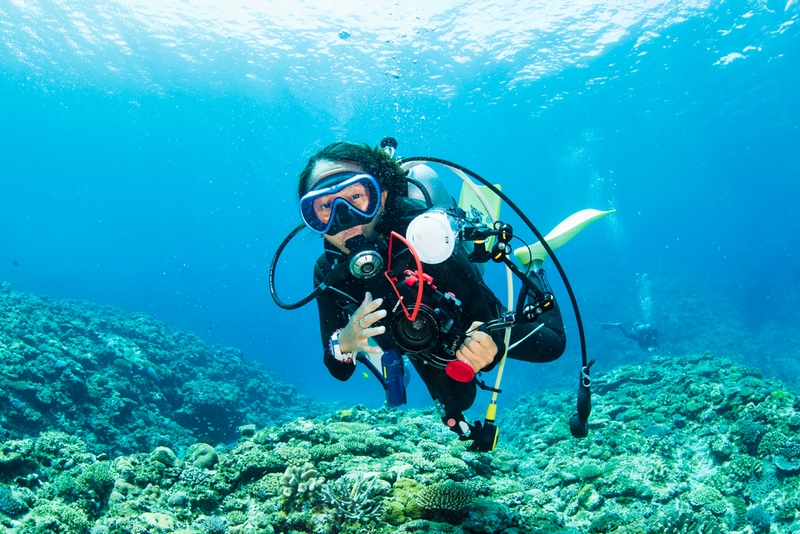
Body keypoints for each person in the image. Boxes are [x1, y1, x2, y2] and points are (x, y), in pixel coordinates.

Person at [296, 141, 566, 437]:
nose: (345, 217)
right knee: (461, 401)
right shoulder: (328, 272)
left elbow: (480, 312)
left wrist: (490, 344)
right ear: (312, 218)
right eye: (325, 206)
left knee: (552, 345)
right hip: (414, 338)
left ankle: (534, 264)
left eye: (356, 196)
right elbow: (339, 370)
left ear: (381, 197)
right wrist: (344, 343)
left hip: (458, 304)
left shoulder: (423, 235)